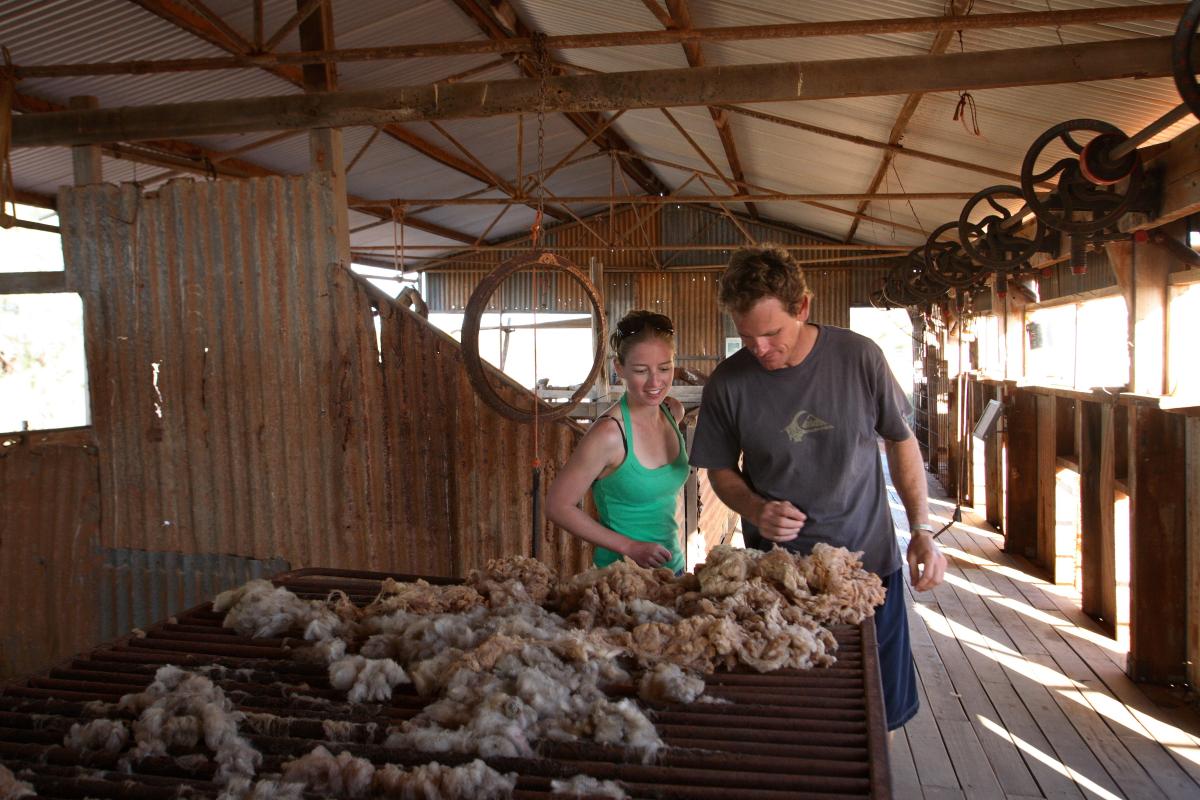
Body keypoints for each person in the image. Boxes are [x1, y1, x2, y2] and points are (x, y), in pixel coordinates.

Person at [689, 244, 946, 731]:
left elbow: (900, 440)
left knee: (877, 715)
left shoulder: (859, 358)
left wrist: (922, 528)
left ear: (802, 307)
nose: (760, 349)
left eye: (772, 333)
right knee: (795, 715)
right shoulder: (729, 382)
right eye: (747, 337)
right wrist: (756, 508)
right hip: (778, 581)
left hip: (870, 572)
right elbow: (720, 470)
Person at [546, 309, 688, 573]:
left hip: (674, 571)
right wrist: (630, 547)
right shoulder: (609, 435)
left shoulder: (673, 412)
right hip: (621, 579)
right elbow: (557, 505)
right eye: (641, 370)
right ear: (619, 368)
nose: (655, 382)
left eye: (665, 368)